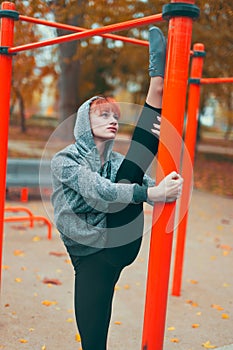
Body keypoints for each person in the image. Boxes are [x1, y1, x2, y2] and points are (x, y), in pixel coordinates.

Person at [51, 27, 183, 350]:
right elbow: (99, 191)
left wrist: (162, 187)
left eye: (115, 115)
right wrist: (151, 195)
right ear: (85, 122)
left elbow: (136, 181)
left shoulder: (116, 162)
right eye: (103, 115)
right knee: (94, 344)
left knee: (131, 171)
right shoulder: (64, 161)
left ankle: (157, 88)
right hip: (91, 261)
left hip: (117, 242)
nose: (113, 119)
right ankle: (156, 88)